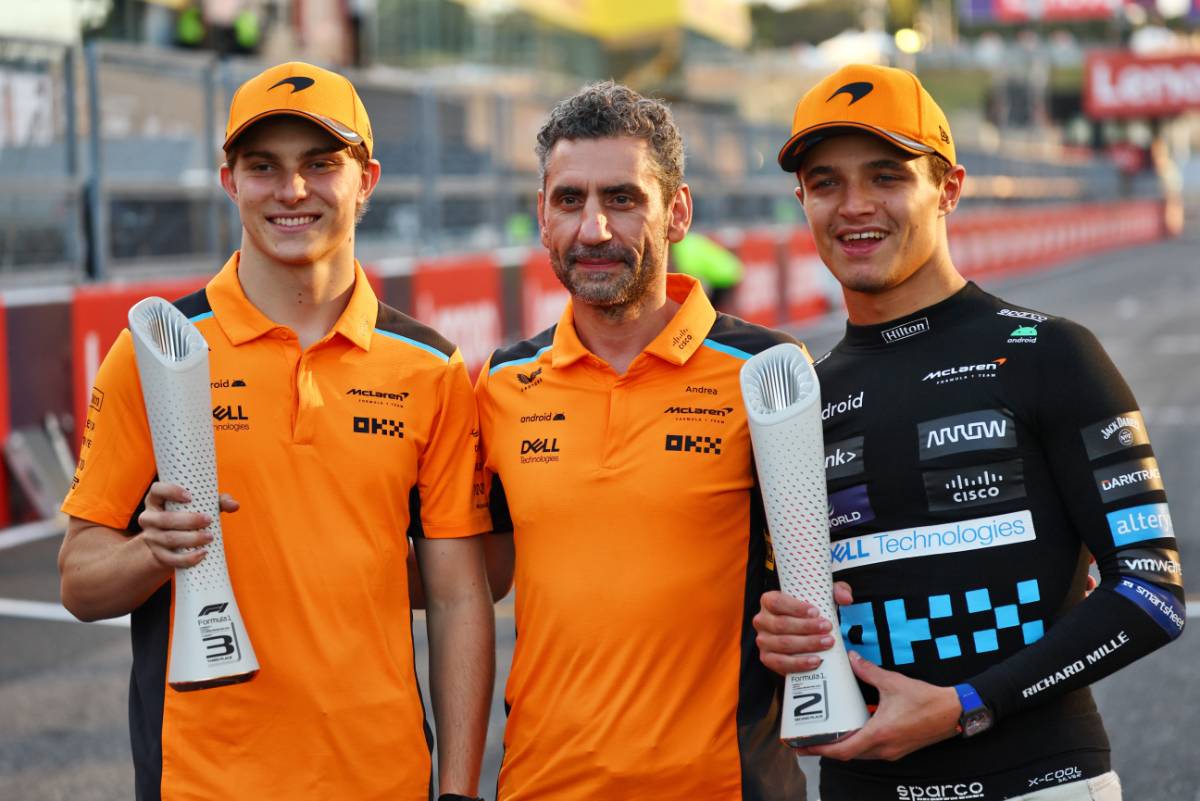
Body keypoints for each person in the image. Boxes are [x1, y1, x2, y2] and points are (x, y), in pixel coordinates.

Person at [58, 62, 494, 801]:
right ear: (229, 181)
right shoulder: (156, 349)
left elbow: (457, 599)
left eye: (320, 164)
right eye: (263, 166)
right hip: (203, 781)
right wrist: (150, 552)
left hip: (382, 777)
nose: (292, 191)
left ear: (366, 180)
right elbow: (79, 581)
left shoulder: (431, 368)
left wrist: (454, 790)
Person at [754, 63, 1185, 800]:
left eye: (886, 176)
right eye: (826, 183)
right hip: (860, 788)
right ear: (803, 201)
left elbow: (1153, 592)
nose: (854, 206)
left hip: (1041, 782)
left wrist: (966, 706)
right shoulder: (796, 399)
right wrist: (777, 630)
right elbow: (783, 610)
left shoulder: (1048, 351)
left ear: (949, 188)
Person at [473, 82, 808, 800]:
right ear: (542, 215)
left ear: (677, 211)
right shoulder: (500, 384)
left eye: (623, 199)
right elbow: (473, 580)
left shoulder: (769, 370)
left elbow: (841, 563)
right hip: (540, 785)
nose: (593, 229)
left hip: (724, 786)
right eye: (570, 200)